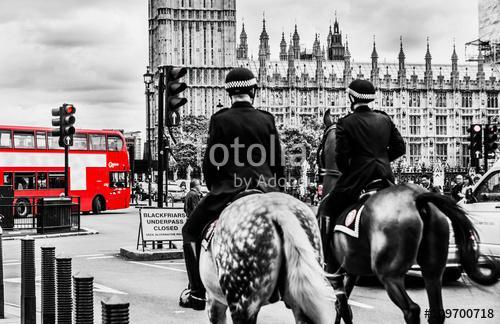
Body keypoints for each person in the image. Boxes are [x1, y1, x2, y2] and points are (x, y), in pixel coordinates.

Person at [179, 67, 285, 310]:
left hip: (229, 190)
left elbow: (210, 161)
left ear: (229, 93)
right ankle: (286, 284)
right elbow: (278, 161)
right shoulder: (266, 118)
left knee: (190, 231)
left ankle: (196, 291)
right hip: (265, 190)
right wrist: (276, 190)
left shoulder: (220, 119)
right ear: (253, 91)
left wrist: (214, 185)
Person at [319, 78, 405, 273]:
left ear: (351, 97)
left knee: (328, 208)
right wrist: (382, 159)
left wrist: (357, 165)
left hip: (357, 181)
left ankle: (329, 262)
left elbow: (341, 160)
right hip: (385, 178)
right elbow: (400, 147)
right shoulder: (384, 119)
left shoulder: (345, 123)